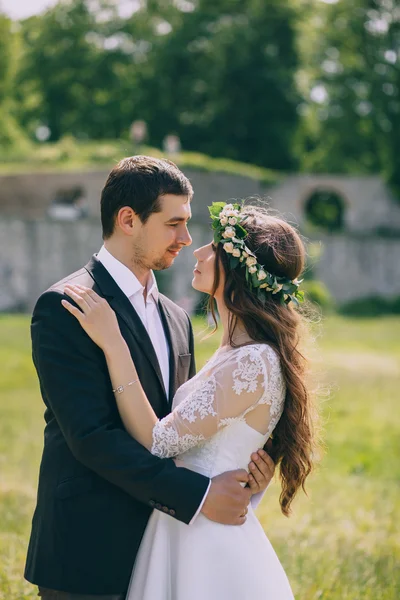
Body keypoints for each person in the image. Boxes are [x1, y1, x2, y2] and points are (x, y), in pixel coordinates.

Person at [25, 157, 275, 599]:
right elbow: (92, 437)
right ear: (128, 220)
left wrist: (246, 469)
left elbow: (184, 425)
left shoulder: (177, 318)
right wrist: (198, 496)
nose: (186, 238)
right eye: (173, 223)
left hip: (167, 547)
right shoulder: (66, 306)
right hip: (89, 548)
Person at [62, 200, 319, 599]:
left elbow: (161, 440)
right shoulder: (233, 351)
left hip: (205, 542)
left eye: (215, 247)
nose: (197, 250)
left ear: (241, 271)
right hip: (180, 524)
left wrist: (114, 344)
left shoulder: (252, 360)